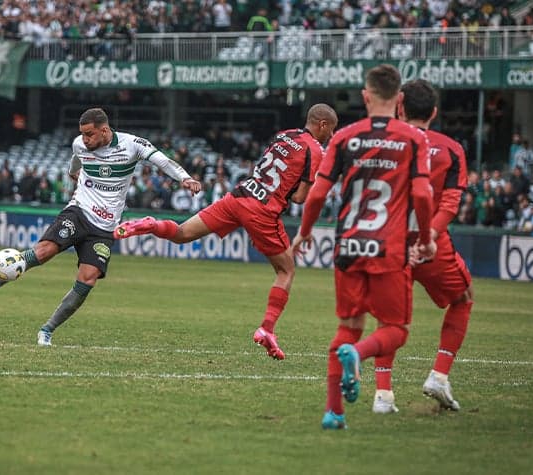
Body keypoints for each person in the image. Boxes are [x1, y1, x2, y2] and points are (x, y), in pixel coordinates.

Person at [113, 104, 339, 360]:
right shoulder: (315, 151)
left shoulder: (284, 135)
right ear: (322, 125)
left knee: (182, 233)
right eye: (330, 130)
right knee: (286, 270)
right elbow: (299, 198)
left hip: (238, 196)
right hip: (263, 210)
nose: (330, 136)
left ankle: (150, 224)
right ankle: (267, 329)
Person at [0, 108, 201, 346]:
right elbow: (76, 160)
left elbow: (162, 161)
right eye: (82, 135)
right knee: (44, 251)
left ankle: (47, 330)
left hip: (105, 227)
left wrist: (185, 178)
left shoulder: (132, 145)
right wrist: (73, 173)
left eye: (89, 134)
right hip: (79, 211)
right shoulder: (80, 144)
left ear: (104, 130)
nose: (84, 140)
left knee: (88, 279)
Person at [291, 65, 435, 429]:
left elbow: (318, 193)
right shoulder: (412, 139)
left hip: (349, 246)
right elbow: (421, 191)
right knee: (396, 329)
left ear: (365, 96)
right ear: (399, 100)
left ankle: (334, 412)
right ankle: (357, 354)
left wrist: (305, 232)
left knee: (348, 325)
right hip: (389, 247)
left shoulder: (344, 137)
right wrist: (427, 236)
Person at [397, 79, 473, 412]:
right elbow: (451, 203)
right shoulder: (451, 148)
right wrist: (428, 238)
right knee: (463, 298)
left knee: (390, 320)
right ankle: (439, 376)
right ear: (435, 112)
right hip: (431, 245)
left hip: (388, 242)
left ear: (401, 107)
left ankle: (382, 395)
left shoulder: (388, 143)